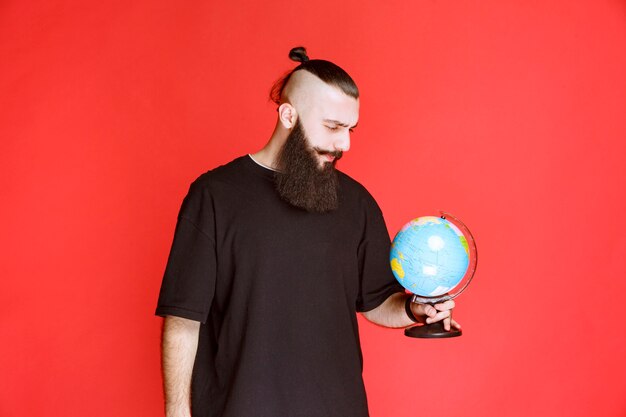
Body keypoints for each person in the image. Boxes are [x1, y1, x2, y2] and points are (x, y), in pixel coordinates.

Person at [155, 46, 461, 417]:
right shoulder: (215, 195)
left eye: (350, 129)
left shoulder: (356, 202)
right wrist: (176, 413)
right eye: (332, 127)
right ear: (288, 114)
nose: (344, 144)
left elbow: (378, 302)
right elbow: (183, 321)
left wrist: (417, 309)